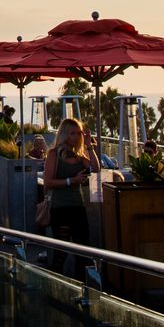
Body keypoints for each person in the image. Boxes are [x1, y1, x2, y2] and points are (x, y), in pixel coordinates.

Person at [43, 117, 100, 274]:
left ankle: (81, 289)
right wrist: (71, 181)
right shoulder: (54, 154)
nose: (76, 137)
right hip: (60, 208)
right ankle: (55, 287)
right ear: (64, 135)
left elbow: (96, 169)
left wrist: (89, 145)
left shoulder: (79, 157)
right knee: (61, 253)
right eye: (72, 133)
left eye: (78, 133)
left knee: (82, 252)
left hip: (77, 207)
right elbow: (48, 182)